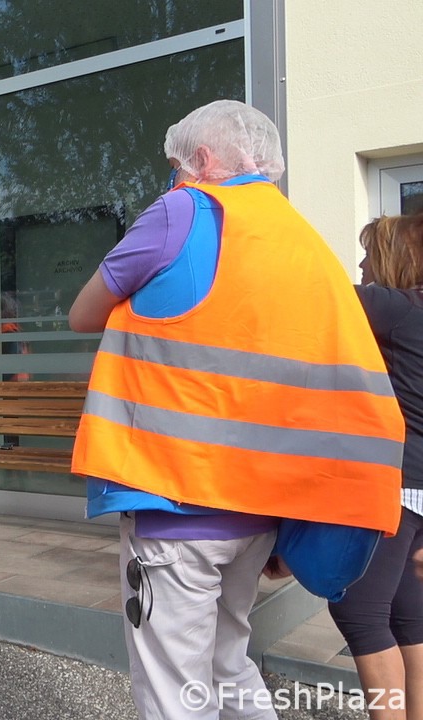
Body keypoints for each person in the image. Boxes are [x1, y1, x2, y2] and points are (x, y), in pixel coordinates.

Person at [67, 100, 404, 720]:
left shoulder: (182, 210)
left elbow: (81, 314)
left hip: (177, 501)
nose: (174, 180)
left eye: (176, 167)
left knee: (175, 692)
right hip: (263, 512)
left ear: (200, 159)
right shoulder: (301, 240)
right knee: (229, 666)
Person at [327, 214, 423, 720]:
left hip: (396, 488)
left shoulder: (397, 307)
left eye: (368, 255)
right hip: (420, 492)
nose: (361, 265)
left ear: (394, 259)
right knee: (410, 617)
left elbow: (318, 292)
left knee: (359, 611)